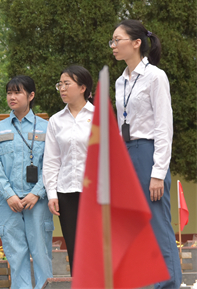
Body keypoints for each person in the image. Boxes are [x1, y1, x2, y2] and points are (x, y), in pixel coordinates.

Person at [110, 20, 181, 288]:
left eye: (118, 40)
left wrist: (158, 172)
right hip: (126, 154)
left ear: (136, 43)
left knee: (157, 225)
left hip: (148, 152)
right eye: (112, 41)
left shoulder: (155, 77)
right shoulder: (120, 82)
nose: (114, 45)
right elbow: (119, 126)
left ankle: (169, 283)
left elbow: (164, 127)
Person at [0, 75, 52, 289]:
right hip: (9, 204)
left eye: (17, 92)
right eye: (9, 93)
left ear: (31, 95)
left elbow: (51, 165)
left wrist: (37, 192)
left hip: (38, 202)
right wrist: (9, 194)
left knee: (42, 256)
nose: (12, 97)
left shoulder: (46, 127)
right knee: (16, 258)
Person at [43, 65, 94, 273]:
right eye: (60, 84)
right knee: (75, 248)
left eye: (67, 83)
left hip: (95, 193)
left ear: (82, 87)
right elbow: (51, 161)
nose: (62, 88)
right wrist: (52, 194)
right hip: (66, 193)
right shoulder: (56, 121)